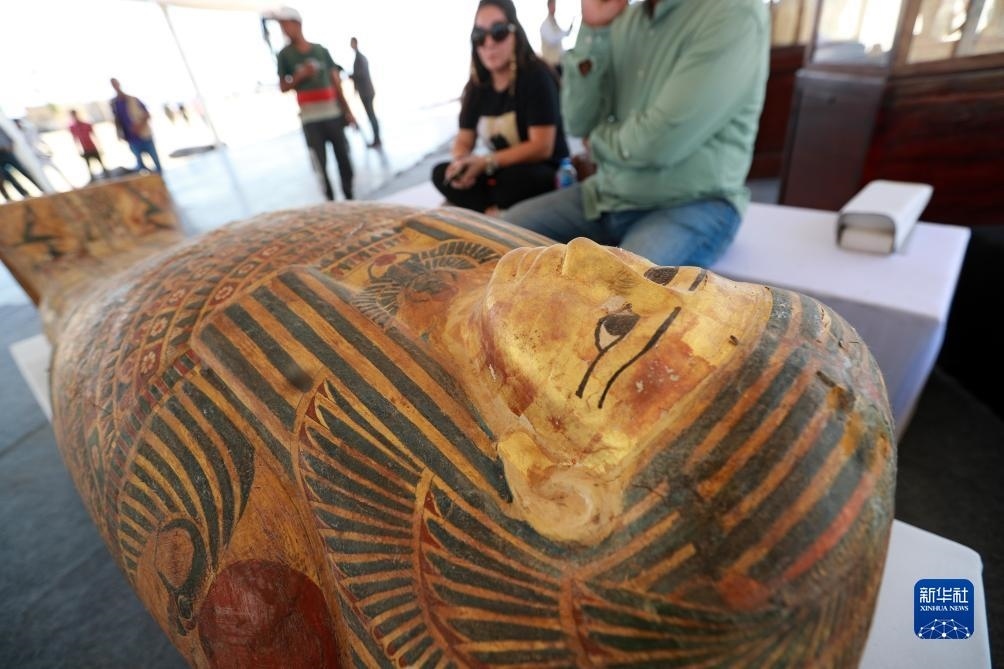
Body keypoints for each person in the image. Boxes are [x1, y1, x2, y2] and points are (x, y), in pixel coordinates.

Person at [14, 199, 895, 666]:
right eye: (669, 276)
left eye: (612, 330)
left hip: (129, 316)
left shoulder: (280, 594)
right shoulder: (511, 282)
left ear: (554, 488)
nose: (594, 258)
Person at [503, 0, 770, 268]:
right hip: (609, 195)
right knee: (499, 240)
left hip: (690, 203)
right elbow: (578, 122)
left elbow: (659, 142)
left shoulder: (733, 12)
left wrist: (597, 141)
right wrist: (593, 30)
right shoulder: (625, 17)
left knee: (618, 286)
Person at [431, 0, 570, 214]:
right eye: (479, 36)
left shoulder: (537, 76)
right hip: (499, 168)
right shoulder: (477, 86)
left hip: (542, 169)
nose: (489, 43)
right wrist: (460, 162)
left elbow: (542, 147)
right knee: (442, 174)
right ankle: (492, 208)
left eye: (498, 32)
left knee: (513, 181)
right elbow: (464, 139)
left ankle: (489, 207)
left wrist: (487, 162)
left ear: (515, 33)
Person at [266, 5, 356, 201]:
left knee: (344, 159)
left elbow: (336, 82)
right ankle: (330, 202)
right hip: (310, 120)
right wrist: (300, 76)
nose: (284, 29)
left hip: (333, 115)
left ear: (297, 24)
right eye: (281, 26)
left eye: (286, 24)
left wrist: (347, 111)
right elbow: (283, 86)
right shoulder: (285, 55)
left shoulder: (321, 51)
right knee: (320, 165)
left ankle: (350, 198)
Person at [110, 78, 162, 173]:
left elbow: (147, 114)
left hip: (144, 135)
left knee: (156, 162)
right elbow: (117, 120)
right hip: (131, 139)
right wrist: (120, 134)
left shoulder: (133, 99)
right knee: (141, 167)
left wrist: (139, 126)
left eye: (115, 83)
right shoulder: (114, 104)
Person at [349, 37, 381, 149]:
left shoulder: (360, 58)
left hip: (366, 91)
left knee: (371, 115)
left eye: (352, 43)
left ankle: (377, 139)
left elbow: (360, 74)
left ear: (356, 43)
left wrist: (351, 76)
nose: (351, 45)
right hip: (366, 91)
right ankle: (377, 139)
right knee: (371, 115)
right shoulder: (359, 57)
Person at [0, 123, 43, 199]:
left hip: (7, 152)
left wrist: (10, 144)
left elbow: (6, 134)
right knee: (7, 177)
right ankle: (24, 194)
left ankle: (41, 188)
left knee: (22, 170)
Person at [68, 110, 107, 180]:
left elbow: (94, 136)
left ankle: (107, 176)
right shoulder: (72, 127)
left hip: (92, 147)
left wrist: (100, 147)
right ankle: (93, 179)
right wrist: (78, 150)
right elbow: (75, 139)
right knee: (89, 167)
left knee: (102, 165)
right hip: (85, 149)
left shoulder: (86, 124)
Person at [539, 0, 573, 74]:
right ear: (548, 6)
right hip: (551, 66)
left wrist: (569, 29)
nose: (554, 8)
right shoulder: (545, 25)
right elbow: (552, 40)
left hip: (559, 63)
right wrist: (564, 33)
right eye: (553, 6)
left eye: (555, 5)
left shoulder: (554, 22)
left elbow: (563, 34)